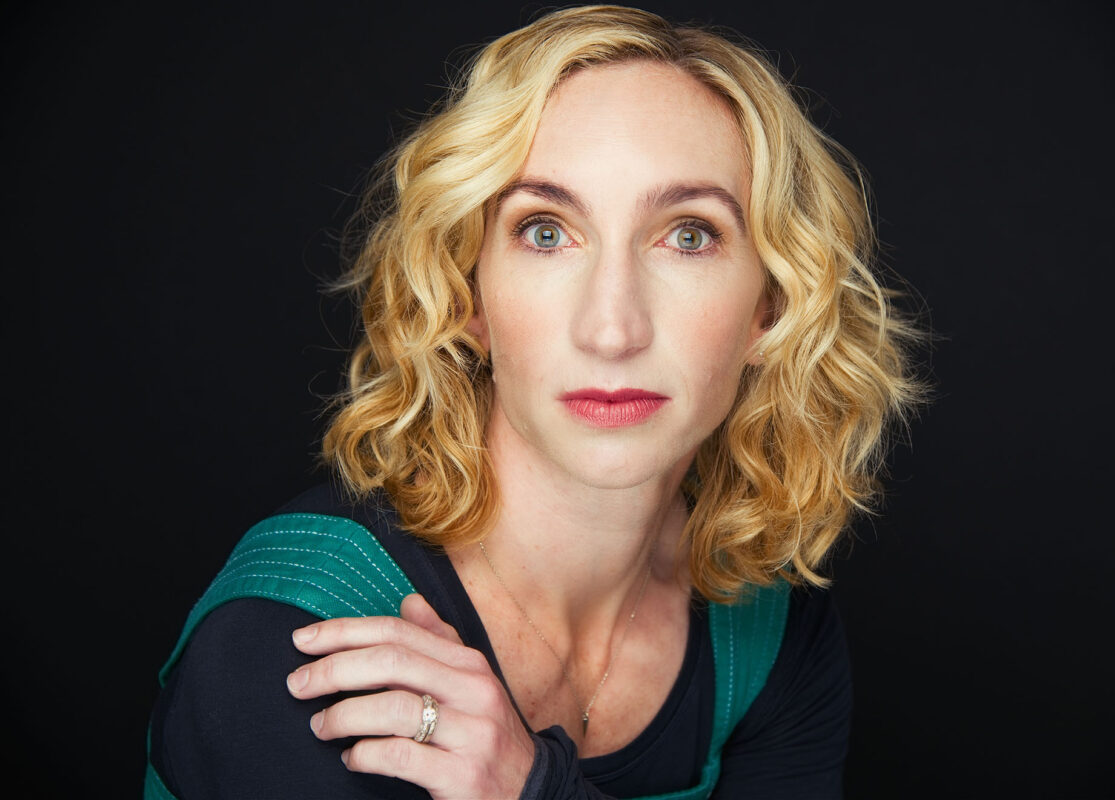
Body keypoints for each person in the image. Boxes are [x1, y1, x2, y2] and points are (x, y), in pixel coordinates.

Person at [146, 5, 921, 798]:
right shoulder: (293, 647)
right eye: (545, 231)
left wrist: (533, 787)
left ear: (772, 308)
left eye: (689, 235)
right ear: (467, 295)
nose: (612, 328)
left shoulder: (772, 636)